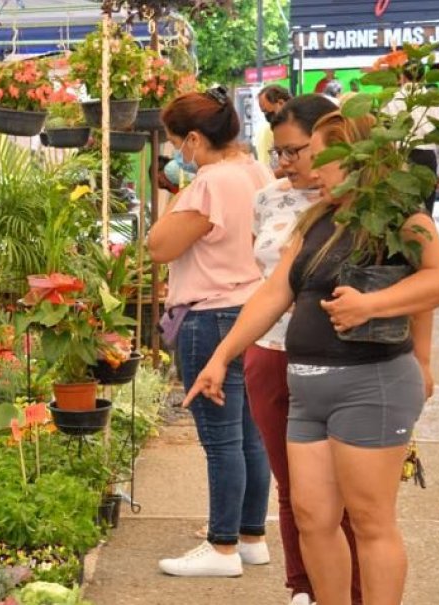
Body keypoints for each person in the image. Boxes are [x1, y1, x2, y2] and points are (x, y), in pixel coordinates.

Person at [185, 111, 439, 605]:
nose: (308, 164)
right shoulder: (315, 219)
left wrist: (373, 306)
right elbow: (273, 293)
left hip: (371, 384)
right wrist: (221, 357)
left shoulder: (398, 216)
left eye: (319, 153)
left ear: (356, 159)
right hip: (308, 388)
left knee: (370, 519)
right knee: (313, 518)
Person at [149, 86, 274, 578]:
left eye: (177, 142)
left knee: (219, 439)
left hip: (209, 314)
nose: (177, 153)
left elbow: (159, 245)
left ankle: (221, 547)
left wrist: (179, 188)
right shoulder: (257, 170)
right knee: (251, 435)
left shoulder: (209, 183)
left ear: (195, 139)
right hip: (253, 311)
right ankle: (250, 537)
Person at [254, 95, 368, 605]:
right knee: (293, 488)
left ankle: (363, 601)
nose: (286, 164)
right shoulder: (269, 200)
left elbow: (419, 279)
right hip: (272, 352)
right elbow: (265, 285)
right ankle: (304, 592)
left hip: (345, 362)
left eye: (295, 151)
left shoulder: (365, 207)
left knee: (351, 496)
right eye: (278, 153)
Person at [382, 67, 439, 215]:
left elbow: (383, 135)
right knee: (425, 213)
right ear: (423, 77)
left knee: (401, 214)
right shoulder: (434, 101)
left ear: (402, 76)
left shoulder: (391, 100)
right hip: (427, 159)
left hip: (400, 159)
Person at [256, 85, 293, 171]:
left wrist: (271, 177)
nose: (266, 116)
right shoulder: (271, 130)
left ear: (281, 103)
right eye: (263, 112)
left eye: (267, 111)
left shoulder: (299, 127)